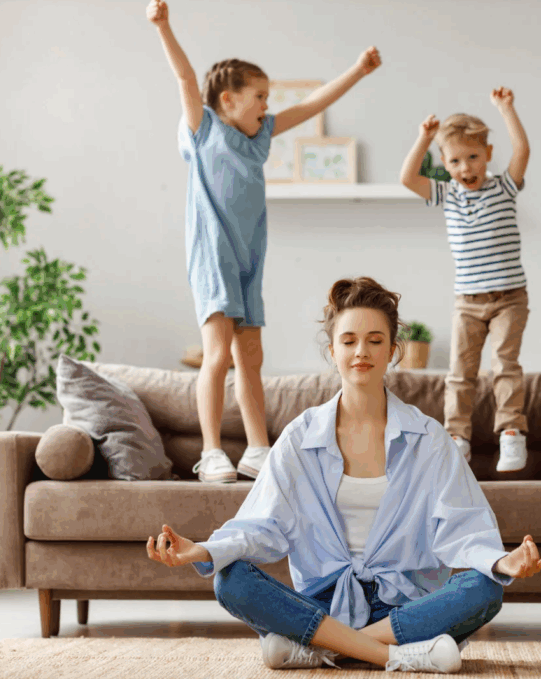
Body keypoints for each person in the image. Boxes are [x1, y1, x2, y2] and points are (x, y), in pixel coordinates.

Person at [147, 277, 541, 673]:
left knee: (484, 588)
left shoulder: (428, 438)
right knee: (229, 579)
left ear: (394, 351)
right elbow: (262, 525)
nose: (362, 351)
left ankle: (319, 647)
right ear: (332, 350)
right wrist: (202, 551)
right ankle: (396, 655)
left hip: (403, 606)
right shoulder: (300, 437)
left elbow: (462, 527)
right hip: (322, 603)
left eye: (376, 340)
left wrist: (503, 562)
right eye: (349, 341)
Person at [148, 0, 382, 483]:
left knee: (250, 357)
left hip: (250, 257)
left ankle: (257, 448)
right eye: (259, 96)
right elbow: (187, 81)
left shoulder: (260, 137)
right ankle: (211, 450)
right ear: (228, 100)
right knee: (217, 354)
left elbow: (312, 104)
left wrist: (358, 70)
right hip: (212, 255)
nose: (266, 105)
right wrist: (164, 27)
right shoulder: (204, 129)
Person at [398, 88, 532, 472]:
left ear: (488, 155)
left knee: (505, 364)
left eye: (473, 157)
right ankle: (457, 437)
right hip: (467, 302)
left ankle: (510, 433)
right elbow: (408, 177)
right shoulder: (447, 194)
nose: (465, 168)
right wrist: (424, 137)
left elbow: (522, 150)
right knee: (460, 372)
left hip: (509, 297)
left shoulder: (504, 187)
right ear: (444, 162)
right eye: (455, 161)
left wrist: (506, 109)